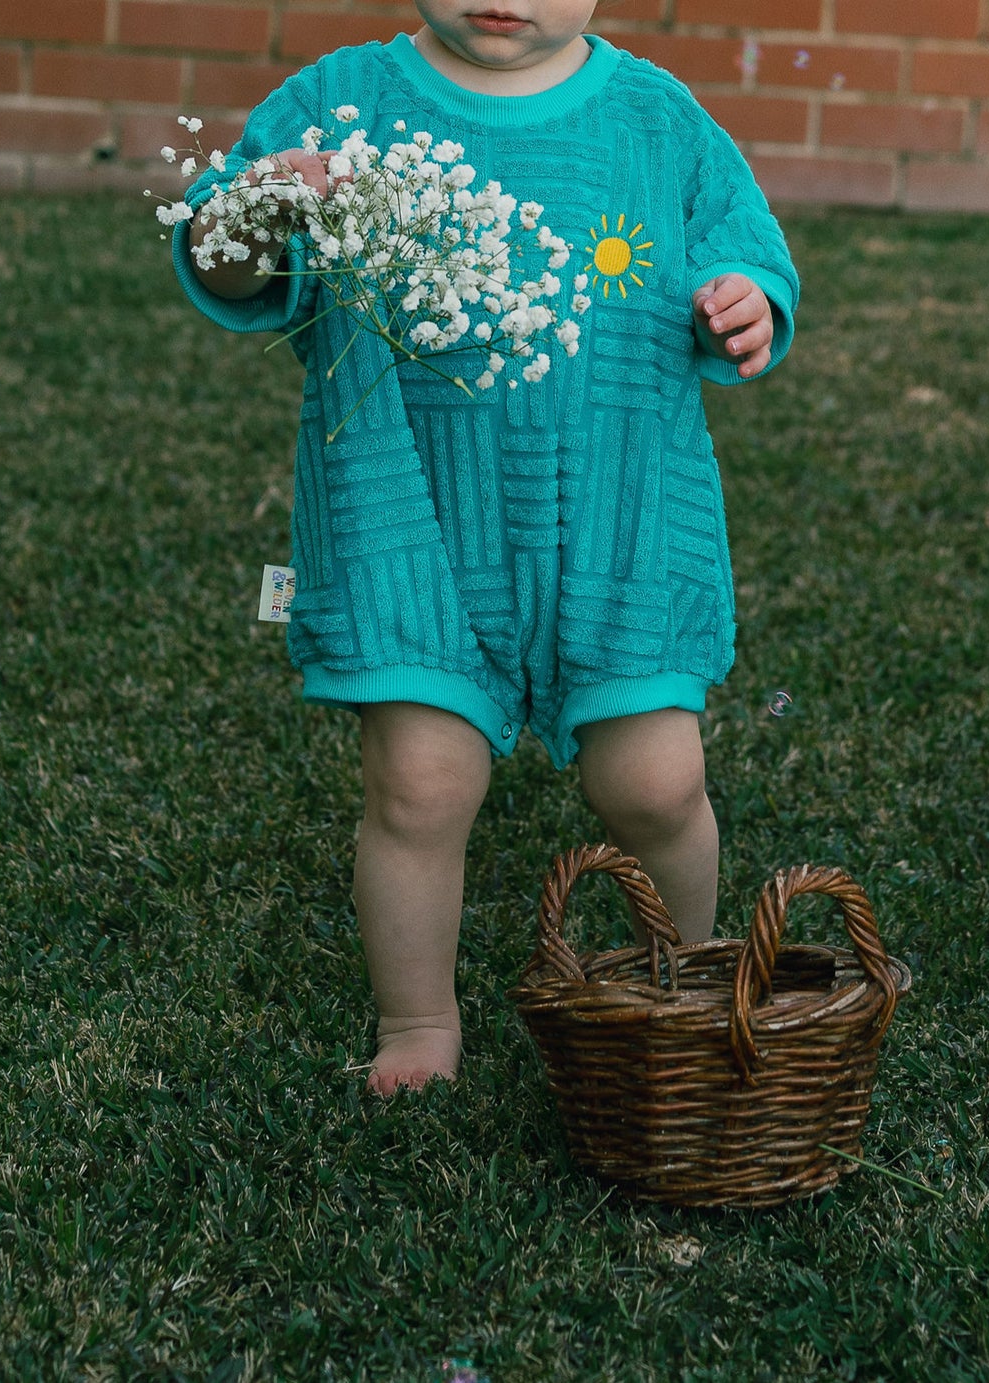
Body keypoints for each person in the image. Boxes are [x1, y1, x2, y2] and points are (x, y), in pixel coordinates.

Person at [171, 0, 797, 1094]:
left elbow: (743, 254)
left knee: (655, 781)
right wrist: (265, 204)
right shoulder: (342, 106)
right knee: (419, 784)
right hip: (407, 520)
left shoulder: (658, 119)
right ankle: (418, 1019)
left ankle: (685, 976)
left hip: (618, 516)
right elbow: (223, 265)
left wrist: (744, 305)